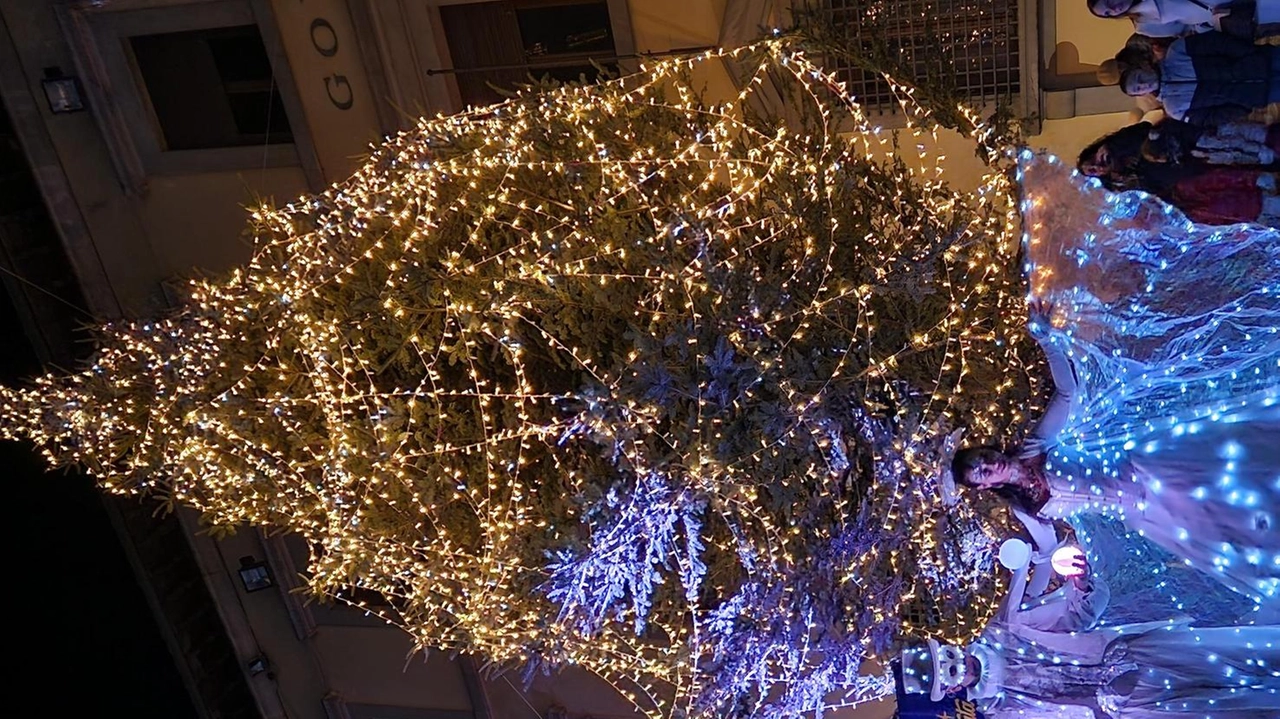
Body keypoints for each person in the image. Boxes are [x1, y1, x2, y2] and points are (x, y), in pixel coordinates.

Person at [952, 154, 1280, 607]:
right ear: (986, 487)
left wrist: (1046, 339)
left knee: (1230, 467)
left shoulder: (1034, 446)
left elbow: (1068, 393)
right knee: (1228, 521)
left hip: (1148, 467)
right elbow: (1047, 551)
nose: (988, 466)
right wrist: (1063, 569)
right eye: (982, 474)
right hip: (1143, 510)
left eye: (982, 459)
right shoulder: (1024, 507)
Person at [901, 540, 1280, 718]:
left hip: (1131, 654)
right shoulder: (999, 709)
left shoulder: (1008, 630)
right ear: (948, 689)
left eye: (946, 655)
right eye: (947, 672)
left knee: (1238, 652)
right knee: (1240, 710)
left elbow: (1076, 618)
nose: (958, 663)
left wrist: (1081, 587)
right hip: (1129, 708)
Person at [1120, 30, 1280, 127]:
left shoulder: (1176, 52)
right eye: (1138, 88)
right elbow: (1210, 118)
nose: (1143, 84)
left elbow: (1216, 43)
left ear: (1143, 67)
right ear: (1142, 94)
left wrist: (1249, 53)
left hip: (1262, 60)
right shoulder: (1175, 109)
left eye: (1139, 78)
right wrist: (1244, 106)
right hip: (1258, 93)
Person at [1088, 0, 1280, 39]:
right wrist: (1211, 23)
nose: (1113, 8)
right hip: (1232, 11)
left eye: (1108, 1)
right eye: (1108, 13)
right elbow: (1186, 32)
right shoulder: (1144, 24)